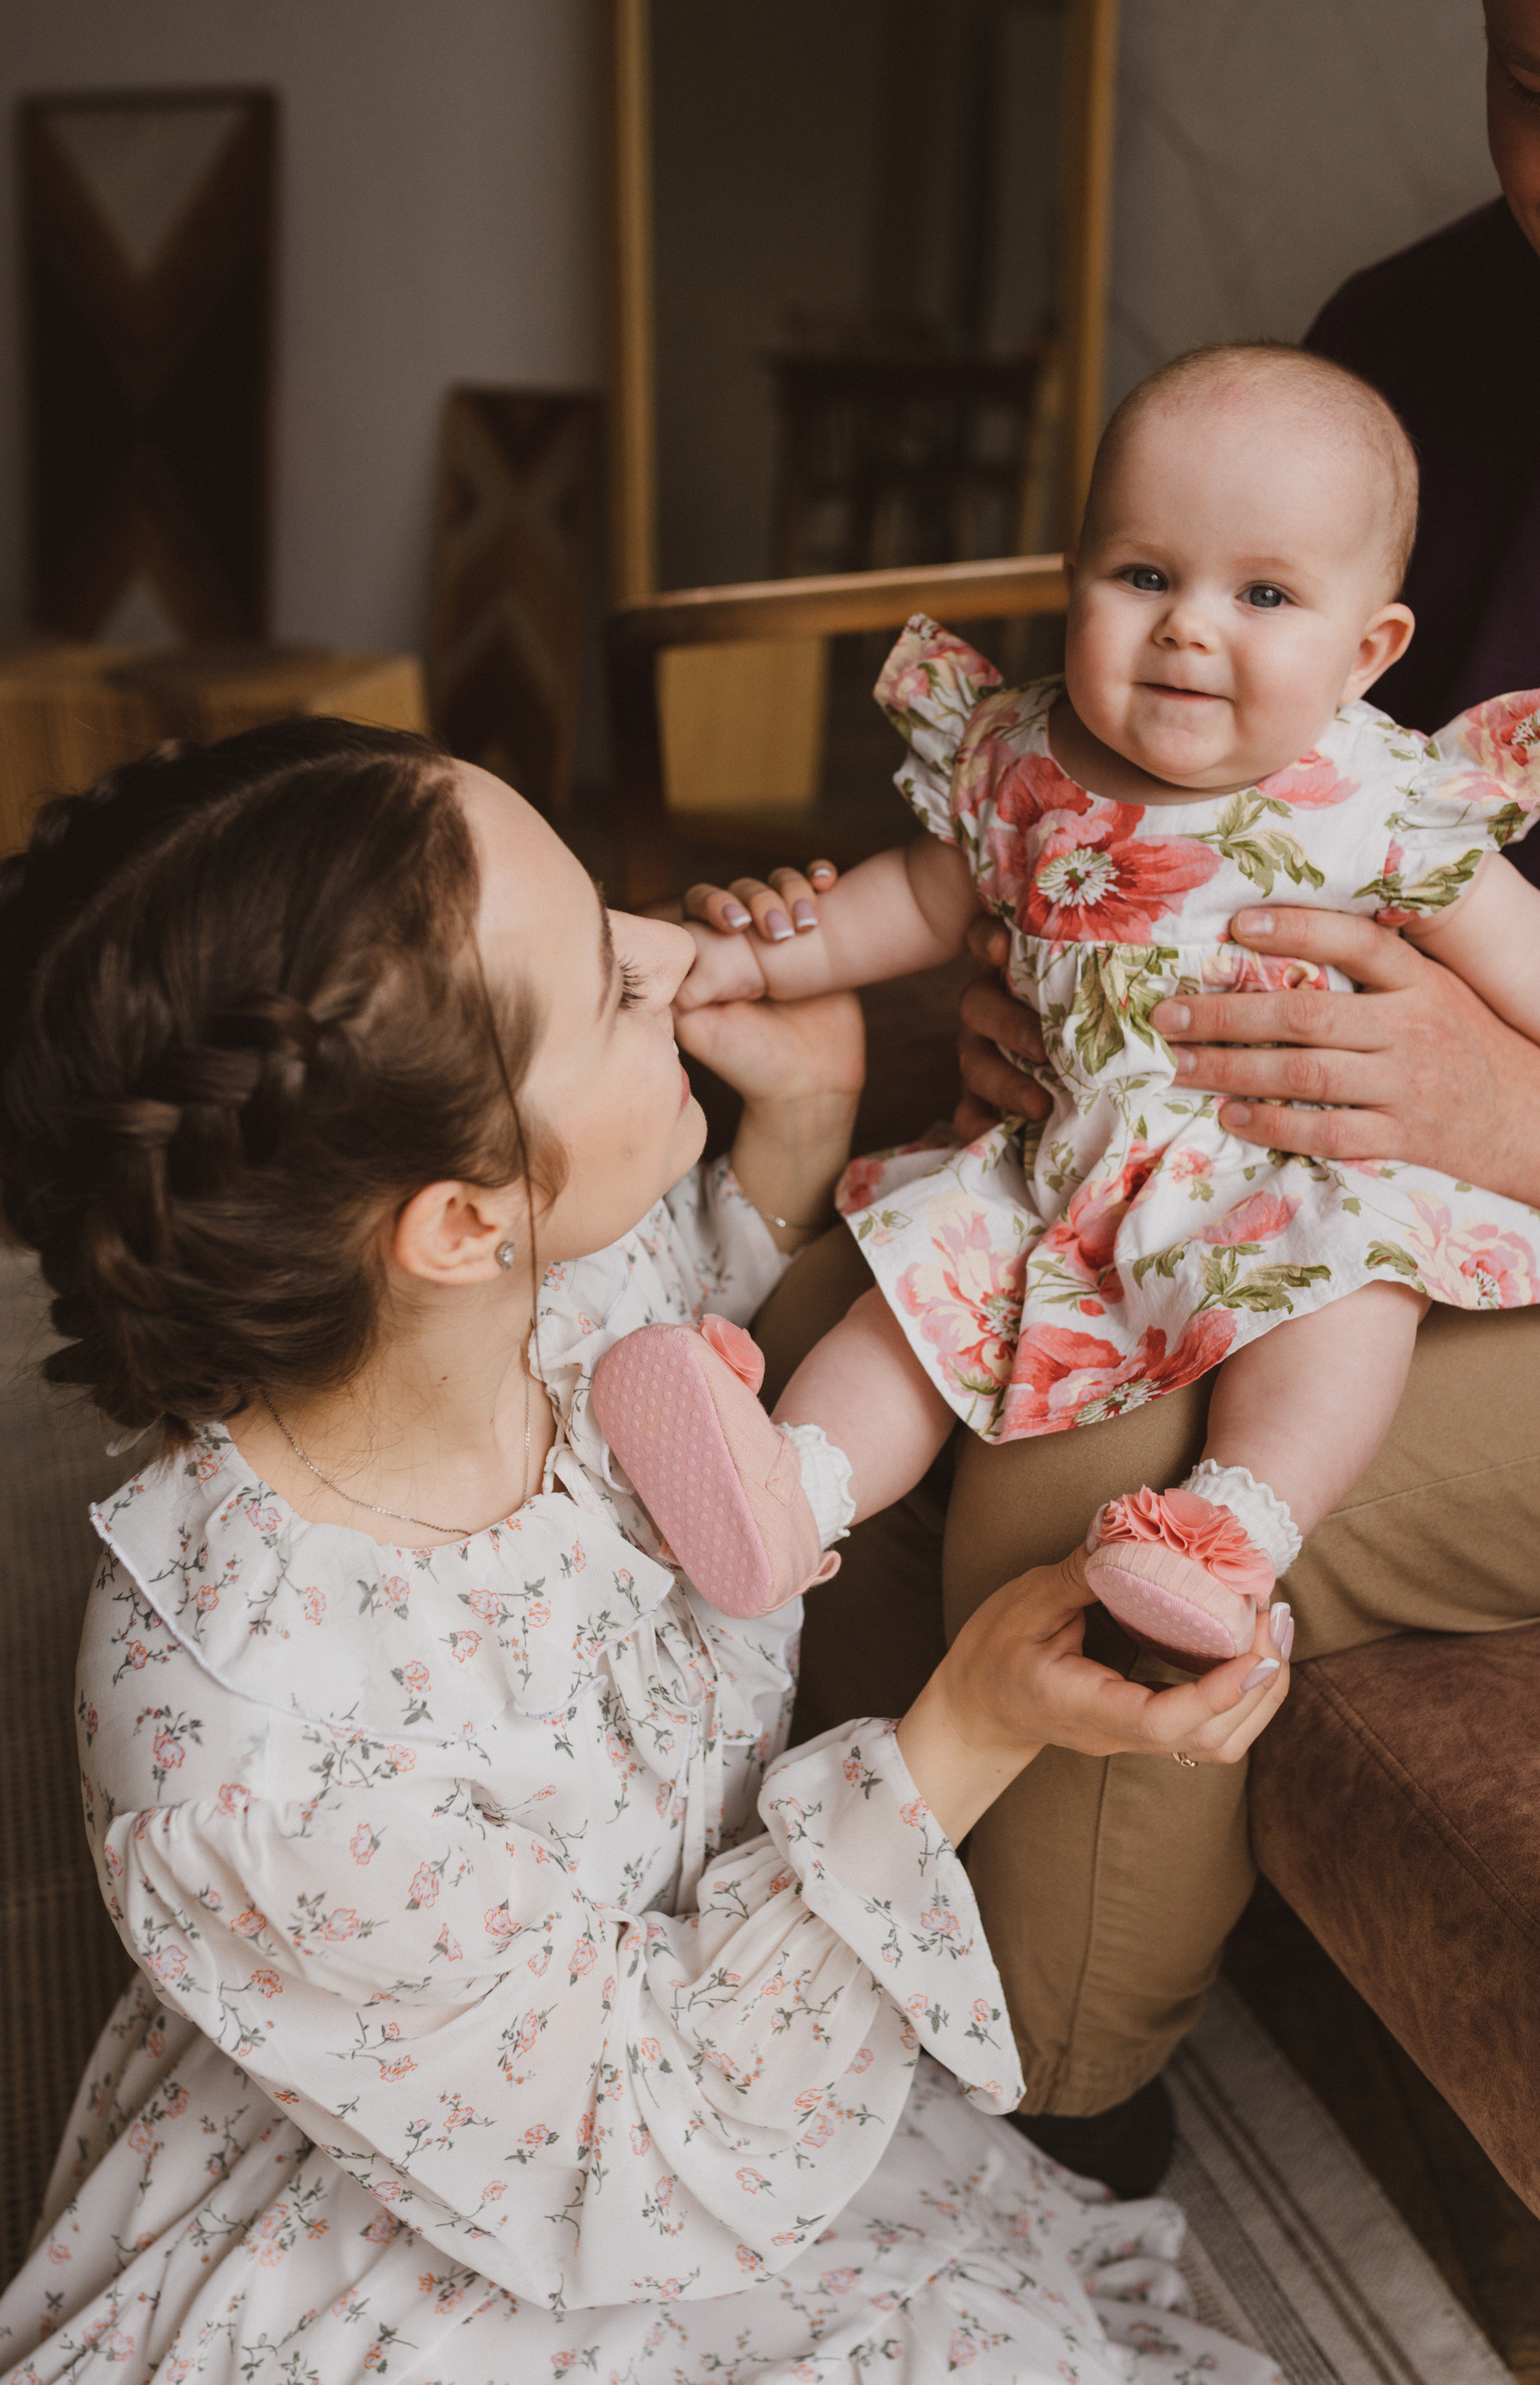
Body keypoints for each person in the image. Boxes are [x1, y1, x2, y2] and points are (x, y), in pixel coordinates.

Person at [683, 0, 1540, 2185]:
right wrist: (1034, 987)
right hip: (1226, 1127)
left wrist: (1518, 1116)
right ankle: (756, 1893)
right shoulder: (1403, 344)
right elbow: (1110, 795)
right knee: (844, 1302)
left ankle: (1044, 2094)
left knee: (1090, 1436)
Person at [0, 719, 1290, 2385]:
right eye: (611, 983)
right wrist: (967, 1725)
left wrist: (800, 1119)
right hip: (513, 2200)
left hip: (683, 2025)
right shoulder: (251, 1758)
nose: (671, 950)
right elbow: (647, 2152)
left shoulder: (520, 1291)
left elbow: (680, 1358)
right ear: (461, 1220)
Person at [609, 344, 1540, 1690]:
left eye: (1263, 594)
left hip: (1283, 1158)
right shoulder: (1016, 757)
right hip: (1057, 1161)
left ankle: (1234, 1527)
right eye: (1141, 576)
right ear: (1071, 579)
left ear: (1366, 652)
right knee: (915, 1291)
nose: (1188, 626)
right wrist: (737, 959)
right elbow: (902, 904)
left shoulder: (1376, 800)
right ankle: (792, 1496)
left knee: (1347, 1286)